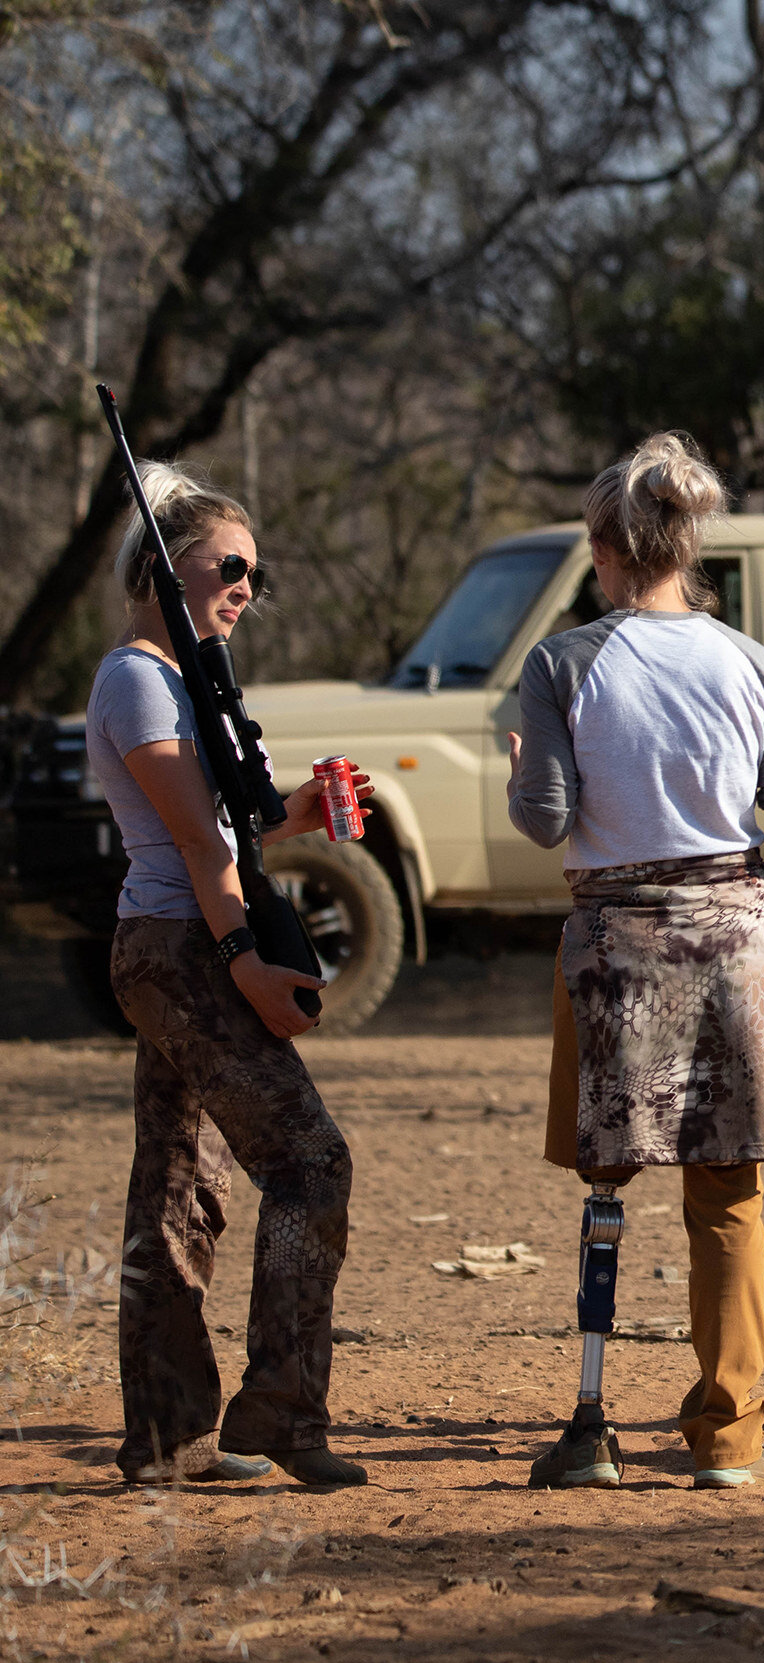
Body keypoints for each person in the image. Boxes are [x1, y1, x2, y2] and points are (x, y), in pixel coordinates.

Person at [507, 432, 764, 1489]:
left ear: (603, 547)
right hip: (737, 930)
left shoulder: (563, 662)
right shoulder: (751, 660)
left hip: (617, 937)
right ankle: (731, 1440)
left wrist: (526, 769)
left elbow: (547, 817)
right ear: (689, 545)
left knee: (609, 1180)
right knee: (727, 1195)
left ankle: (590, 1427)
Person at [87, 461, 369, 1488]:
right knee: (310, 1162)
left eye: (257, 569)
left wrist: (294, 810)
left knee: (176, 1184)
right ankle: (281, 1412)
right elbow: (199, 852)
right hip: (183, 950)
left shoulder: (176, 680)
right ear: (166, 567)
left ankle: (167, 1438)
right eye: (230, 564)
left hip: (170, 945)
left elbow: (218, 823)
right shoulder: (138, 676)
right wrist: (245, 961)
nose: (247, 584)